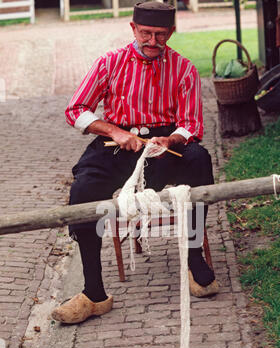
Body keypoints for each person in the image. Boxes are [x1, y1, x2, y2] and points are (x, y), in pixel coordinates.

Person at [51, 1, 218, 325]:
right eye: (146, 33)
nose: (152, 41)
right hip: (115, 142)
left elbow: (192, 124)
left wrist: (170, 140)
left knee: (199, 160)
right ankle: (93, 293)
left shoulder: (184, 68)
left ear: (171, 32)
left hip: (162, 145)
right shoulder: (110, 62)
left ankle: (194, 258)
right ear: (133, 29)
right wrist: (114, 130)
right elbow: (76, 109)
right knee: (84, 189)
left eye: (160, 35)